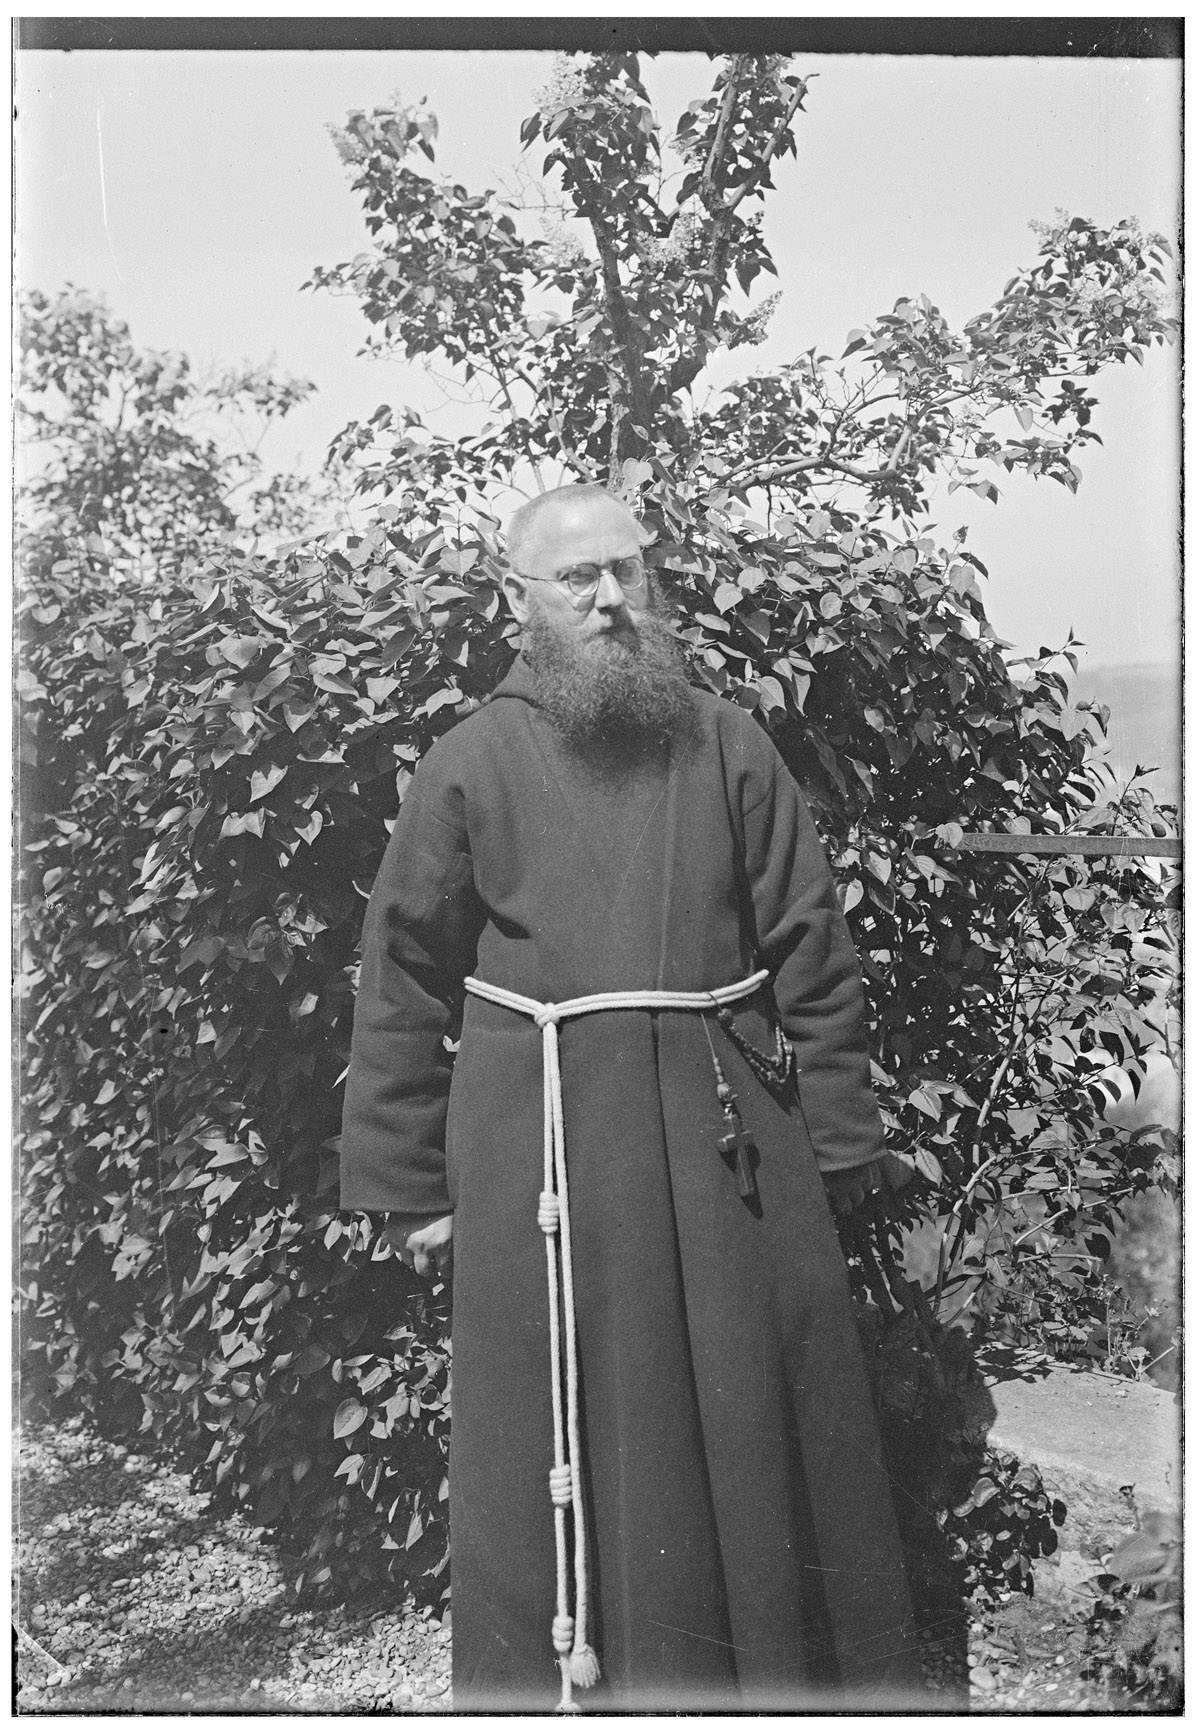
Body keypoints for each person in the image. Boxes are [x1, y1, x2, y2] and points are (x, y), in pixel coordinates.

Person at [340, 484, 920, 1712]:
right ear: (518, 599)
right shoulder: (470, 763)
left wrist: (839, 1136)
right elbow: (402, 975)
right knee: (567, 1420)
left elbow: (811, 945)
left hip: (728, 1139)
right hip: (543, 1152)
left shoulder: (726, 743)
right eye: (578, 578)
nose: (611, 599)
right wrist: (405, 1185)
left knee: (757, 1405)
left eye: (629, 571)